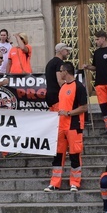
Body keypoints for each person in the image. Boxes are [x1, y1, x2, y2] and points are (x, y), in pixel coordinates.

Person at [44, 61, 88, 192]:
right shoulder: (63, 87)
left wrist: (68, 113)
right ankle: (54, 183)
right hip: (61, 126)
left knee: (75, 155)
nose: (60, 72)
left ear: (66, 72)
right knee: (58, 155)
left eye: (61, 70)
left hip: (74, 126)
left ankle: (75, 183)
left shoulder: (79, 87)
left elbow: (84, 107)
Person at [44, 43, 71, 111]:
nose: (68, 53)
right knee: (60, 118)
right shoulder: (59, 63)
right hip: (57, 95)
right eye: (67, 51)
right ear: (61, 51)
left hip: (50, 95)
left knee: (54, 118)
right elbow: (60, 80)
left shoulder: (50, 63)